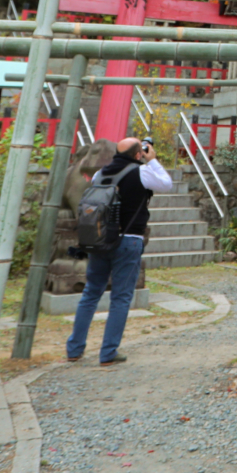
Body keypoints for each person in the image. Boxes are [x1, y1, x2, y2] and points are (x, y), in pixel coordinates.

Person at [66, 136, 172, 366]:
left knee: (90, 293)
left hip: (100, 240)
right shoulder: (141, 173)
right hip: (128, 240)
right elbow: (166, 183)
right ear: (138, 154)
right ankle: (108, 352)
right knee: (121, 297)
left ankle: (74, 349)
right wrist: (152, 160)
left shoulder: (99, 174)